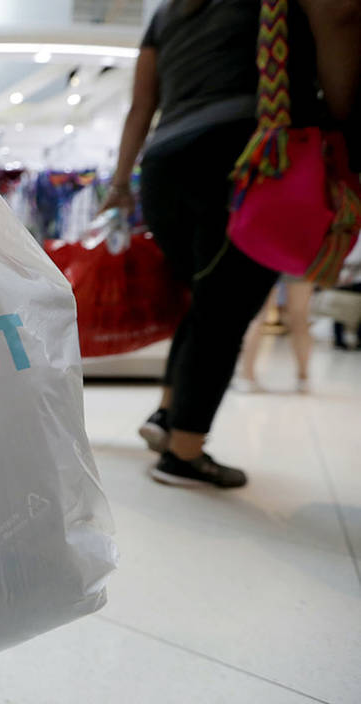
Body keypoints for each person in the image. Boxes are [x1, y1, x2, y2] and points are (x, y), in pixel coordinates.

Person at [102, 0, 361, 488]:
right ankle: (184, 453)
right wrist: (345, 122)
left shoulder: (167, 12)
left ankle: (167, 416)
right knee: (223, 312)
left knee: (203, 304)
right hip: (247, 155)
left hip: (164, 165)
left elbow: (142, 105)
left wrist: (119, 186)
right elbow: (341, 14)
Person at [237, 279, 315, 392]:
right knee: (299, 316)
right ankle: (303, 379)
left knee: (258, 316)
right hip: (299, 265)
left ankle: (247, 378)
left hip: (269, 263)